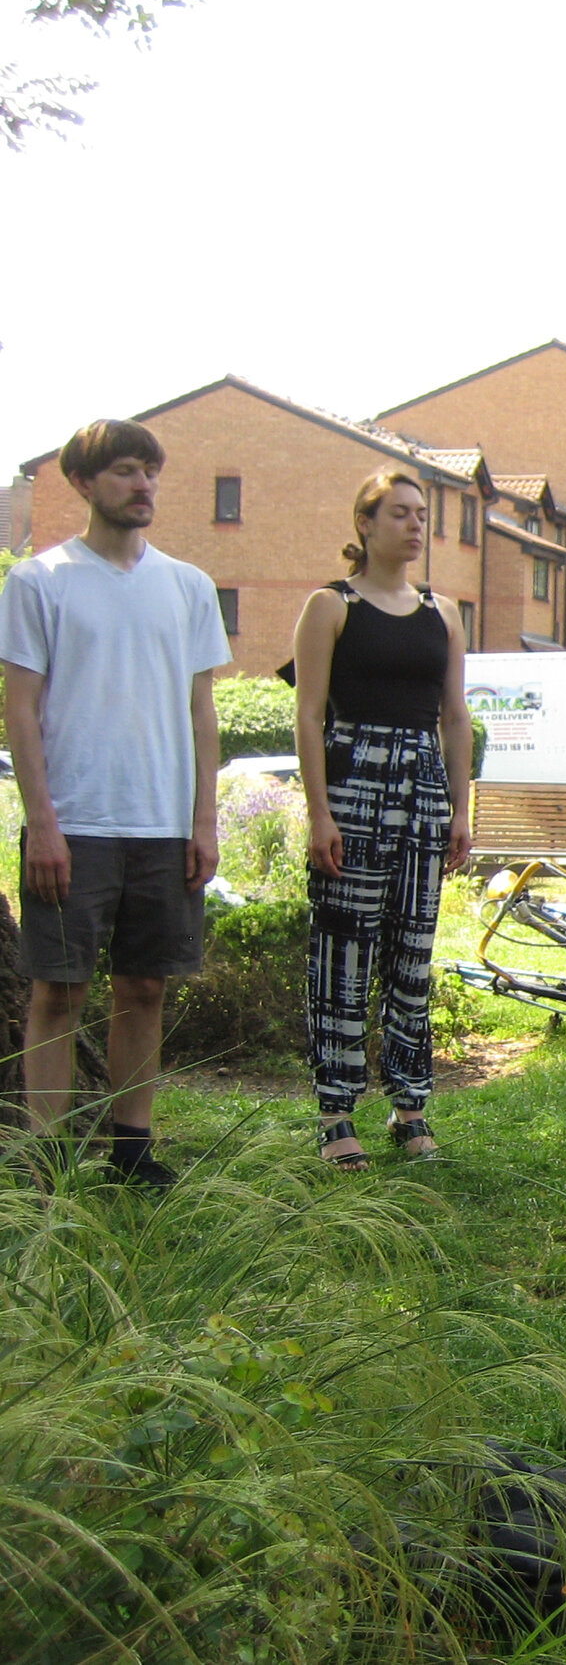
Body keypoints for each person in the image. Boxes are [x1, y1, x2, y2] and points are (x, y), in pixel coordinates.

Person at [1, 419, 227, 1188]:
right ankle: (48, 1159)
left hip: (164, 826)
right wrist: (44, 824)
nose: (144, 486)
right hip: (75, 825)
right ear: (83, 483)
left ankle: (133, 1152)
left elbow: (203, 714)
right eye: (127, 472)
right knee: (58, 990)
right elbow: (21, 711)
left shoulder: (189, 586)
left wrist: (204, 820)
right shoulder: (39, 581)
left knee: (145, 986)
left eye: (152, 472)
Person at [291, 470, 475, 1170]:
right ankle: (337, 1111)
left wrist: (460, 808)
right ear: (365, 523)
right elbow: (308, 714)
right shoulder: (330, 605)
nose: (415, 525)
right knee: (343, 953)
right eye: (399, 512)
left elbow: (455, 715)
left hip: (424, 787)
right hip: (353, 783)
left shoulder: (443, 611)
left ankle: (410, 1106)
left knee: (412, 954)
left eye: (421, 514)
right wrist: (319, 812)